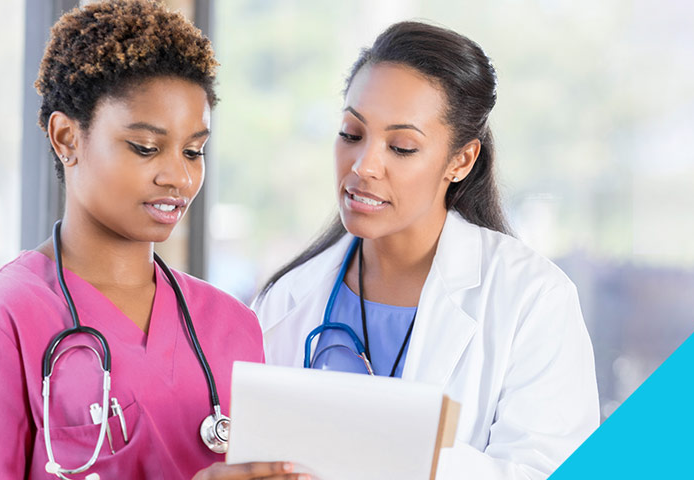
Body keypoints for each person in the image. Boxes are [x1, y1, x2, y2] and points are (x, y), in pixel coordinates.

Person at [0, 1, 304, 479]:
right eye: (145, 147)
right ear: (66, 138)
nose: (179, 176)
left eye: (194, 151)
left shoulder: (232, 326)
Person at [253, 21, 599, 478]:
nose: (363, 166)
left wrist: (395, 446)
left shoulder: (532, 299)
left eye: (401, 146)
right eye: (351, 133)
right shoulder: (287, 298)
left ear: (461, 160)